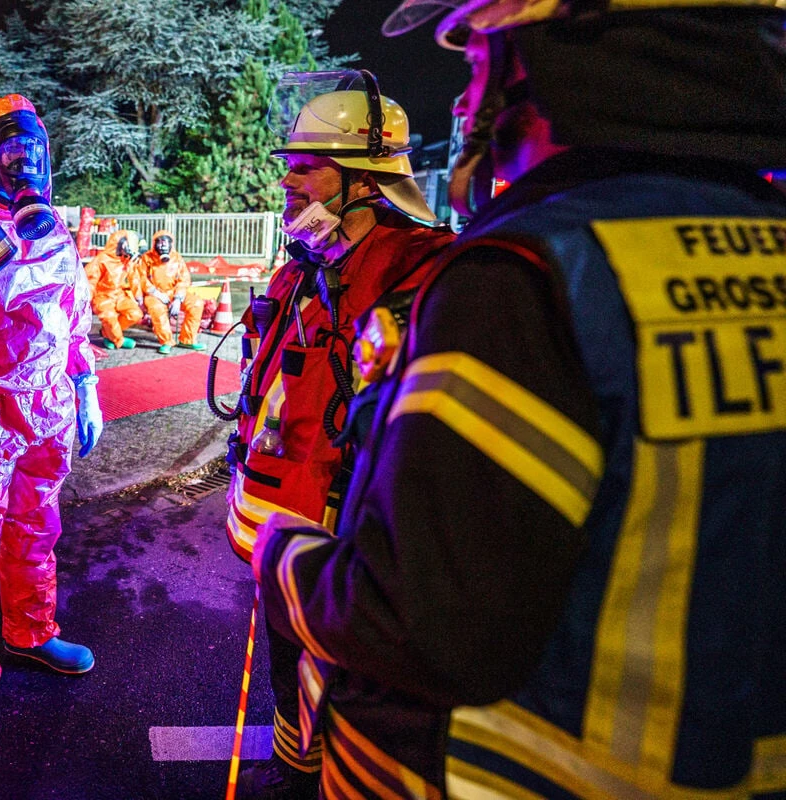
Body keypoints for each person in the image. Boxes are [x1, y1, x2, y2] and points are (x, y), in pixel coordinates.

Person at [254, 2, 786, 798]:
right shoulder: (758, 237)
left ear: (545, 62)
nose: (468, 104)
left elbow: (427, 625)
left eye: (478, 65)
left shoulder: (521, 273)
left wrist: (282, 558)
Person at [226, 70, 455, 799]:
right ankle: (292, 763)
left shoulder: (423, 274)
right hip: (286, 546)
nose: (289, 183)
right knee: (289, 698)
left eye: (306, 168)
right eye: (288, 167)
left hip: (353, 557)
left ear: (365, 179)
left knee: (351, 723)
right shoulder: (307, 267)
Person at [0, 94, 101, 741]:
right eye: (10, 152)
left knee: (36, 527)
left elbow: (73, 314)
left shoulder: (49, 226)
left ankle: (28, 633)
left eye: (33, 152)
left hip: (46, 409)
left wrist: (85, 381)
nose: (25, 166)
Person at [133, 230, 205, 354]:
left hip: (174, 293)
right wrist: (155, 293)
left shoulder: (177, 257)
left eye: (166, 241)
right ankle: (166, 341)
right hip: (154, 294)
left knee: (196, 303)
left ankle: (187, 340)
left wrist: (178, 298)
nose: (163, 245)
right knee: (157, 309)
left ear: (171, 243)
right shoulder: (146, 258)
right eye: (160, 242)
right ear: (154, 243)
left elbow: (184, 279)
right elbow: (141, 278)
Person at [85, 229, 144, 350]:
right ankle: (119, 340)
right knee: (109, 316)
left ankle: (108, 333)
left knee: (135, 314)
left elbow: (134, 277)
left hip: (119, 295)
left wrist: (138, 295)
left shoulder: (126, 259)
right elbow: (90, 279)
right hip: (102, 297)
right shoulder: (102, 259)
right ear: (121, 243)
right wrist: (87, 297)